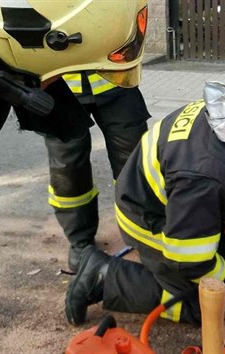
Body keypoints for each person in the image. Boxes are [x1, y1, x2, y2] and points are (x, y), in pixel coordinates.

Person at [64, 62, 225, 325]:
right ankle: (103, 276)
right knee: (204, 305)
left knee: (222, 260)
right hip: (152, 221)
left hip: (182, 207)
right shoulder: (206, 174)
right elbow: (190, 259)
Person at [0, 0, 149, 177]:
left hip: (115, 96)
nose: (53, 80)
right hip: (68, 98)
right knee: (68, 176)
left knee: (131, 165)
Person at [49, 71, 151, 272]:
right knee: (67, 171)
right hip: (60, 86)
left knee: (134, 163)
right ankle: (80, 241)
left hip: (116, 80)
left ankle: (143, 234)